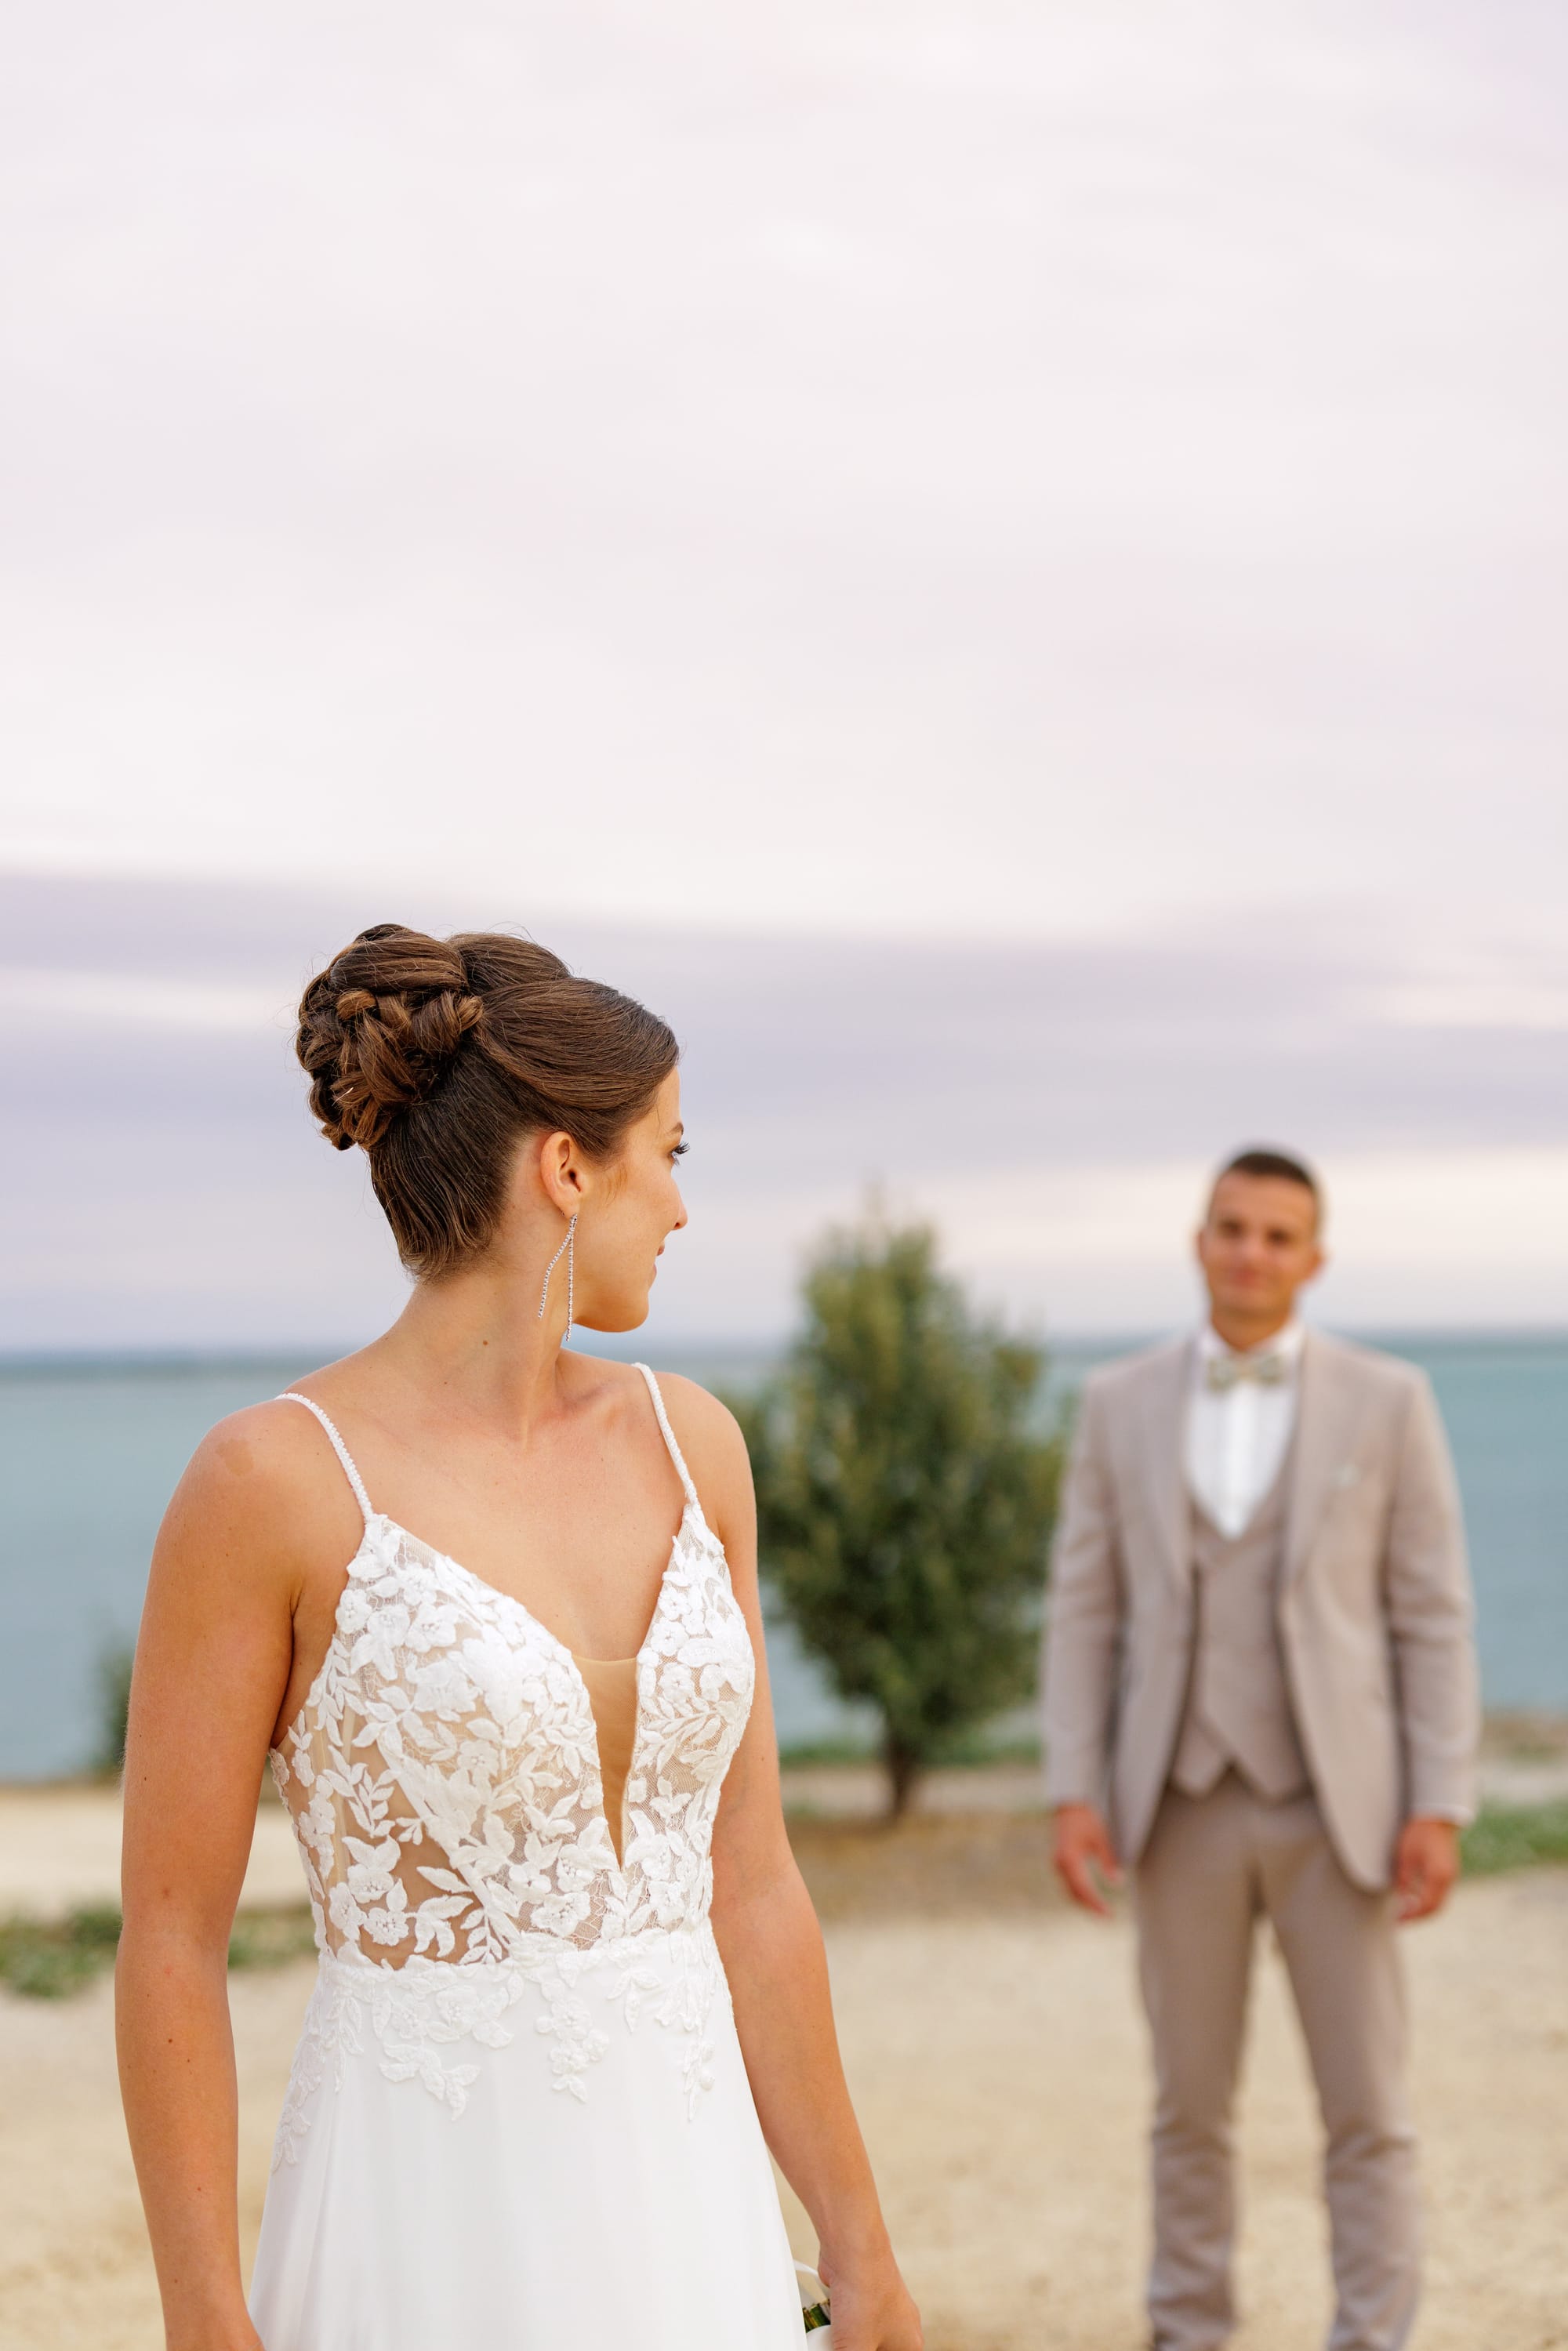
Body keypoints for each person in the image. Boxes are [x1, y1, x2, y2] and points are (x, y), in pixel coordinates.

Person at [117, 923, 921, 2351]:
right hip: (422, 2213)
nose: (679, 1206)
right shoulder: (271, 1484)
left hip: (692, 2206)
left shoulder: (695, 1448)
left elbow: (755, 1884)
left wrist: (856, 2241)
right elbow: (170, 1938)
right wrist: (202, 2314)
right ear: (567, 1167)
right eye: (669, 1154)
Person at [1042, 1147, 1479, 2351]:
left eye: (1279, 1236)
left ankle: (1372, 2337)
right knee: (1188, 2107)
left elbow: (1430, 1612)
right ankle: (1188, 2332)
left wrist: (1439, 1799)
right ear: (1199, 1240)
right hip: (1175, 1804)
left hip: (1340, 1807)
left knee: (1369, 2110)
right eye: (1232, 1227)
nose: (1252, 1252)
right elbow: (1086, 1608)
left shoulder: (1389, 1402)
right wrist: (1073, 1786)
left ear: (1314, 1258)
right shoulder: (1116, 1401)